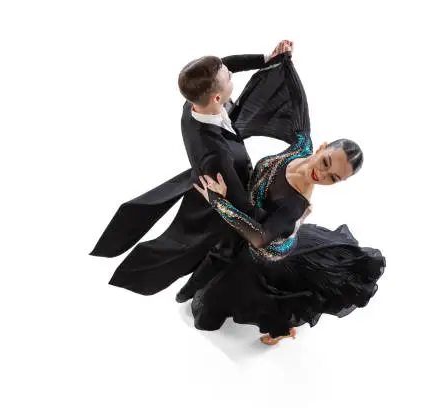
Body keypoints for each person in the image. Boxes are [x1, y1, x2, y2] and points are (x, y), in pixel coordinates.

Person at [189, 52, 386, 345]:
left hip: (264, 254)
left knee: (207, 311)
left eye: (334, 178)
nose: (323, 173)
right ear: (320, 147)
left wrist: (218, 202)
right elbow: (296, 101)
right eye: (327, 162)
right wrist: (279, 59)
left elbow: (259, 238)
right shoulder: (302, 143)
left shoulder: (295, 205)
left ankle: (280, 327)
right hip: (256, 225)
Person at [89, 41, 295, 297]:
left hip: (213, 180)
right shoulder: (215, 154)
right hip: (221, 201)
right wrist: (285, 220)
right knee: (222, 249)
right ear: (217, 98)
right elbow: (242, 206)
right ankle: (192, 292)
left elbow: (225, 64)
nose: (231, 74)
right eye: (228, 77)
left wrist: (266, 58)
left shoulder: (194, 103)